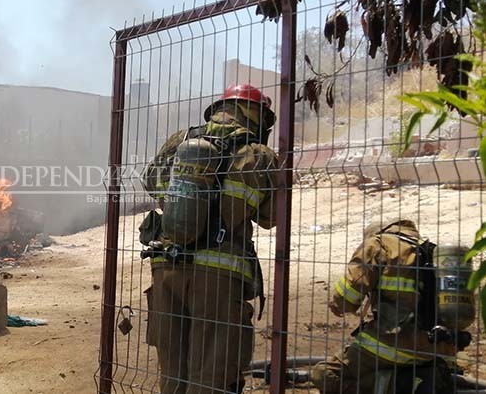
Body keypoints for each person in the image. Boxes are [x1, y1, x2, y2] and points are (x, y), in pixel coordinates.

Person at [140, 84, 279, 394]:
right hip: (219, 276)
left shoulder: (183, 139)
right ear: (257, 115)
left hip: (167, 267)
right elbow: (271, 219)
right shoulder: (259, 154)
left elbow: (150, 179)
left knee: (173, 375)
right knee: (213, 375)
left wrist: (183, 204)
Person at [311, 219, 473, 394]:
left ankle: (411, 385)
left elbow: (345, 300)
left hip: (395, 343)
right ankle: (420, 377)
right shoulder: (434, 253)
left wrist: (336, 305)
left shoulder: (378, 244)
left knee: (324, 373)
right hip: (441, 347)